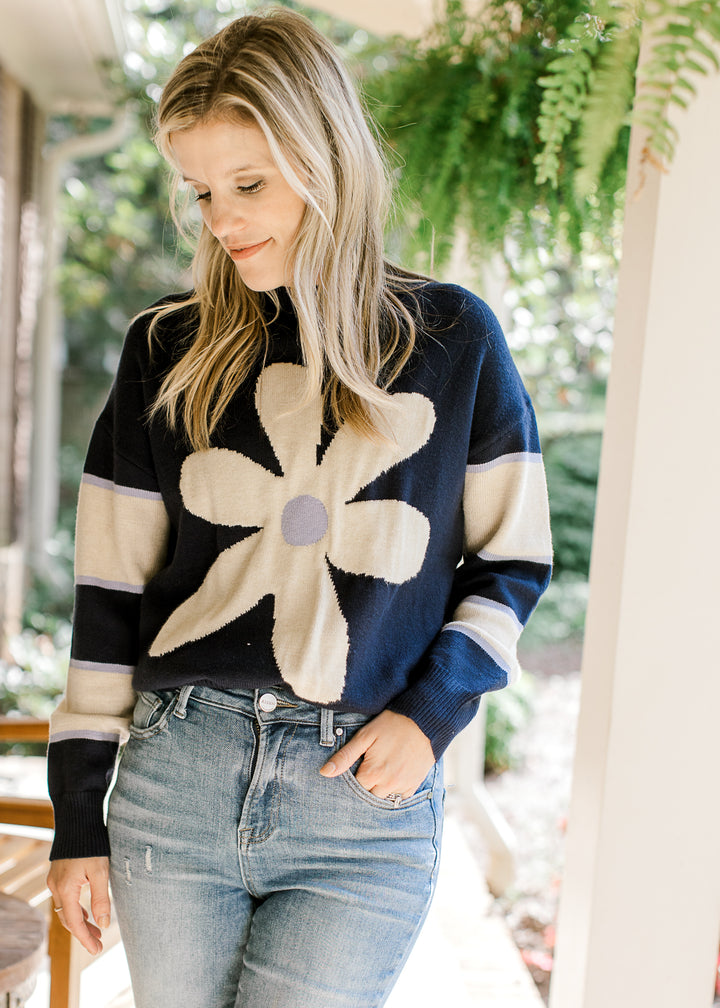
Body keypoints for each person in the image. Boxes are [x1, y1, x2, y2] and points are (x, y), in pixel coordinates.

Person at [46, 8, 552, 1007]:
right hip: (175, 784)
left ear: (326, 159)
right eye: (200, 193)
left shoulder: (453, 339)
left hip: (359, 804)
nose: (222, 220)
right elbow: (108, 594)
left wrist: (433, 712)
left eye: (249, 184)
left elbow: (515, 559)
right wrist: (77, 820)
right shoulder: (165, 349)